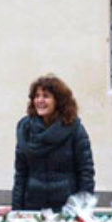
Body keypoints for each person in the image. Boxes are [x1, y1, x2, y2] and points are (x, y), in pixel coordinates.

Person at [12, 74, 95, 211]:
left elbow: (86, 172)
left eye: (46, 96)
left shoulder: (75, 130)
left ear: (59, 101)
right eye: (36, 96)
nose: (40, 100)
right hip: (33, 206)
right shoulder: (25, 130)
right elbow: (21, 173)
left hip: (66, 207)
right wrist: (16, 210)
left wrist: (84, 209)